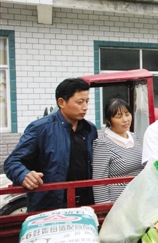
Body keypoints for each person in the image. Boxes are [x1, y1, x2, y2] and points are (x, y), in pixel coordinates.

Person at [4, 78, 98, 212]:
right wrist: (24, 174)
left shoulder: (90, 130)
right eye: (80, 102)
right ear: (61, 102)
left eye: (87, 101)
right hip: (49, 207)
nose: (85, 107)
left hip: (84, 206)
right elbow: (12, 162)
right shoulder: (40, 129)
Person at [92, 98, 143, 203]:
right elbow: (99, 182)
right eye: (119, 116)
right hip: (119, 203)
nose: (125, 119)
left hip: (140, 199)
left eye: (127, 114)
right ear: (108, 120)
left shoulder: (134, 137)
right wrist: (104, 209)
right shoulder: (103, 144)